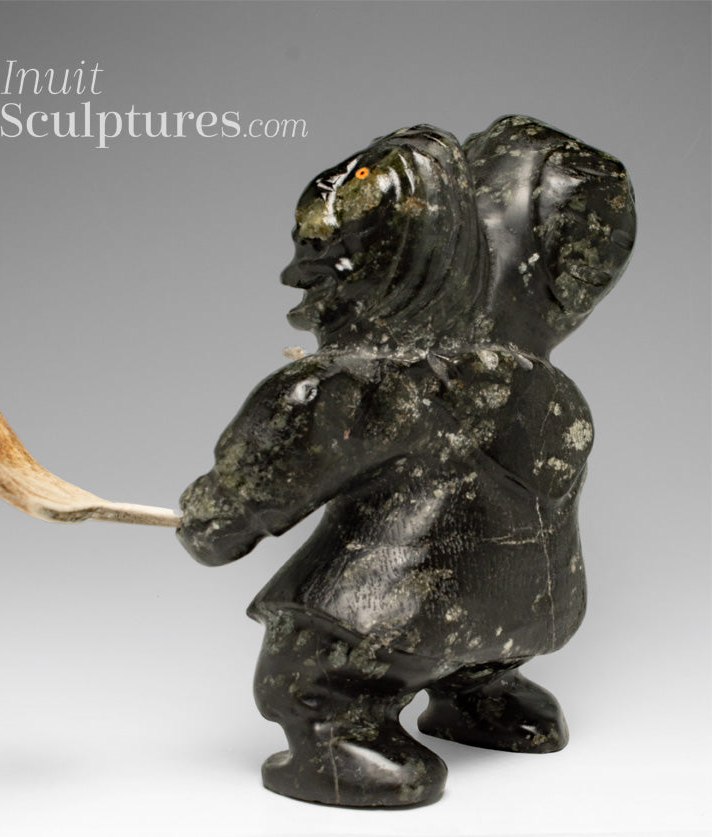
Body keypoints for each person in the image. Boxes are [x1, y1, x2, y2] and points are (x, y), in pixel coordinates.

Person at [176, 118, 636, 807]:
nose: (294, 279)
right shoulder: (550, 392)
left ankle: (336, 725)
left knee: (316, 665)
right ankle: (480, 688)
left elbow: (243, 504)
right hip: (534, 614)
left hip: (383, 625)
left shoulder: (350, 386)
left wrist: (211, 519)